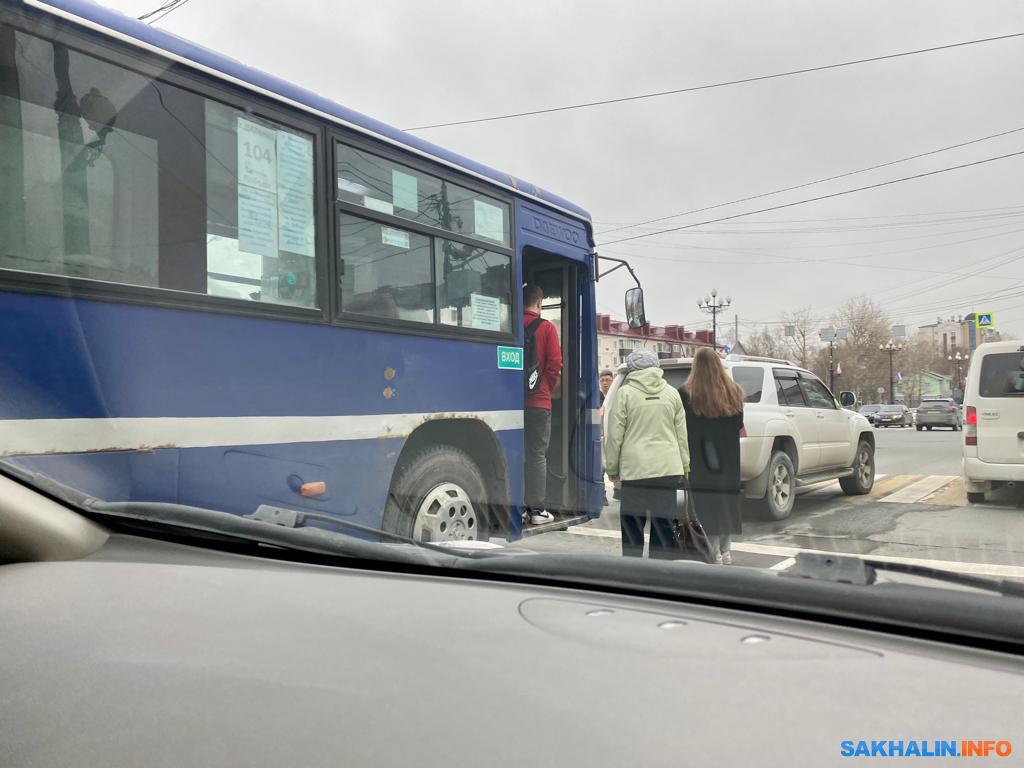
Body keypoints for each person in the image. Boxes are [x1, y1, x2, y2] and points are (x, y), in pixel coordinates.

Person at [604, 349, 689, 558]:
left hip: (636, 471)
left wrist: (612, 468)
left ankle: (633, 575)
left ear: (632, 369)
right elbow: (681, 435)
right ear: (656, 368)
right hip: (667, 470)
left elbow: (615, 436)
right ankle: (659, 576)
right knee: (663, 526)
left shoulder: (625, 393)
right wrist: (685, 465)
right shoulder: (672, 393)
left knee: (633, 526)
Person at [680, 348, 745, 564]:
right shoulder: (734, 391)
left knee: (706, 505)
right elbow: (738, 425)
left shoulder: (686, 394)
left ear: (695, 366)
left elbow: (683, 427)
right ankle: (726, 551)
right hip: (728, 457)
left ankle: (713, 551)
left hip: (700, 458)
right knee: (726, 503)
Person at [523, 284, 562, 526]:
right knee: (537, 454)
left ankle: (515, 506)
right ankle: (536, 510)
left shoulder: (512, 324)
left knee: (518, 453)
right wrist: (545, 388)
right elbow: (554, 364)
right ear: (539, 302)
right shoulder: (546, 327)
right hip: (539, 402)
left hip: (513, 403)